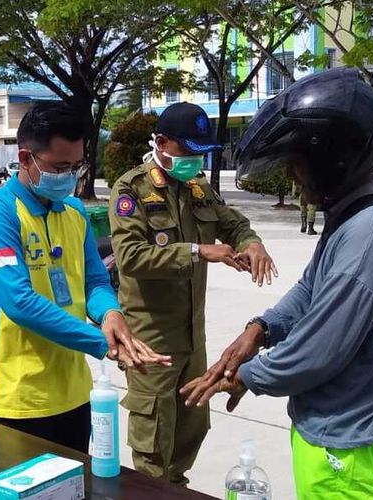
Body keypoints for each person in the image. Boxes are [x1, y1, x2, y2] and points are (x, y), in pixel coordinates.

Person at [182, 68, 373, 499]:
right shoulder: (355, 219)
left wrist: (247, 375)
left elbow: (319, 349)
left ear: (333, 158)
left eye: (295, 164)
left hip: (353, 453)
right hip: (334, 441)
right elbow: (309, 291)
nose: (292, 177)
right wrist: (259, 330)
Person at [0, 102, 171, 453]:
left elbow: (94, 280)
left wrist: (110, 314)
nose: (70, 176)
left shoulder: (74, 212)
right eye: (60, 167)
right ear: (26, 158)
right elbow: (20, 303)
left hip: (75, 394)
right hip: (17, 398)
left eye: (76, 166)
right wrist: (102, 343)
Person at [108, 102, 277, 485]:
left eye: (202, 153)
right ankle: (154, 492)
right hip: (151, 338)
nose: (195, 161)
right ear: (162, 142)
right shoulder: (131, 189)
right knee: (153, 440)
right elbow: (131, 257)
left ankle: (176, 487)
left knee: (190, 426)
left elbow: (232, 224)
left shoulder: (199, 188)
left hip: (191, 335)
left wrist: (252, 243)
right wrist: (199, 251)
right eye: (188, 152)